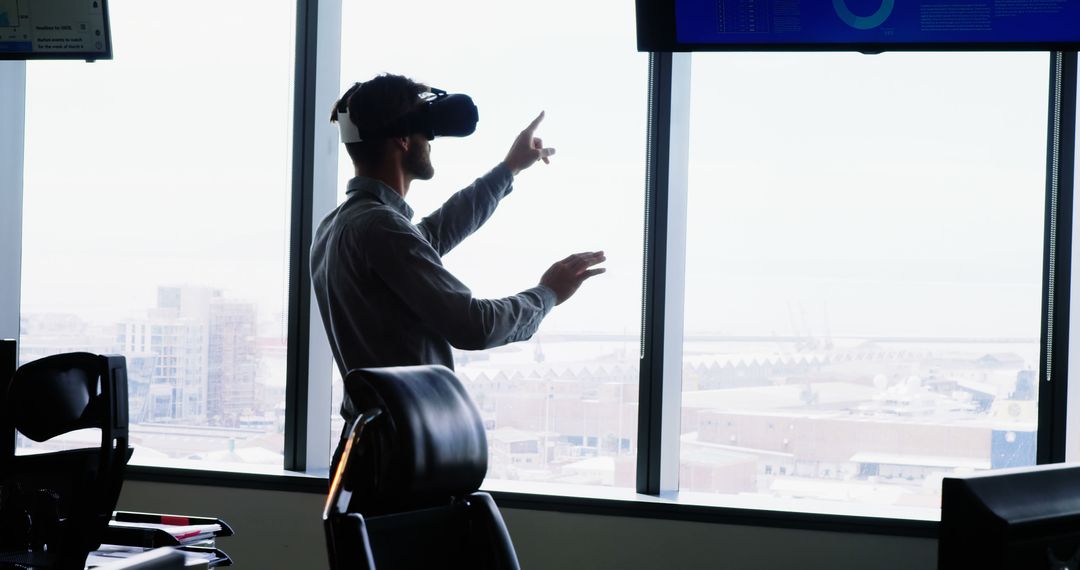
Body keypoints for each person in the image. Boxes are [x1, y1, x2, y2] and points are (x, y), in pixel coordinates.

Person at [311, 73, 606, 466]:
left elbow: (434, 233)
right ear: (402, 139)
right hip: (404, 454)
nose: (430, 142)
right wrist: (548, 293)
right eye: (425, 132)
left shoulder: (339, 225)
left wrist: (509, 169)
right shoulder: (380, 228)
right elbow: (473, 325)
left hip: (372, 449)